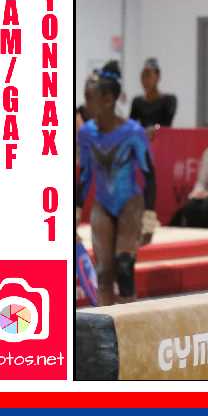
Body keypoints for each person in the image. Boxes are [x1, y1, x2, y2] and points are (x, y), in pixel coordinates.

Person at [76, 61, 158, 305]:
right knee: (103, 272)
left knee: (123, 266)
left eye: (90, 98)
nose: (85, 105)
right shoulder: (86, 133)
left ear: (108, 100)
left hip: (129, 203)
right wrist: (75, 211)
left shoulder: (133, 132)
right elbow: (85, 175)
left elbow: (150, 175)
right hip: (103, 204)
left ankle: (130, 320)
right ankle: (107, 323)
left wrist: (149, 217)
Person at [129, 58, 178, 134]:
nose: (145, 80)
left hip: (162, 138)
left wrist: (156, 128)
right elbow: (131, 125)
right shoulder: (137, 101)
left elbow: (166, 124)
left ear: (158, 77)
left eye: (148, 75)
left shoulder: (169, 100)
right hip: (143, 139)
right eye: (143, 76)